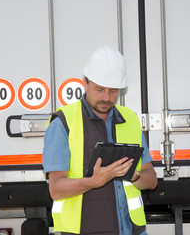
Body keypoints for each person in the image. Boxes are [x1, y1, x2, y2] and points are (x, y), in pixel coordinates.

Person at [43, 46, 158, 235]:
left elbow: (151, 180)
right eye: (99, 89)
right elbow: (56, 189)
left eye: (113, 91)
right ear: (85, 83)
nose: (106, 97)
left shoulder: (130, 119)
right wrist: (94, 181)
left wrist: (133, 176)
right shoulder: (63, 122)